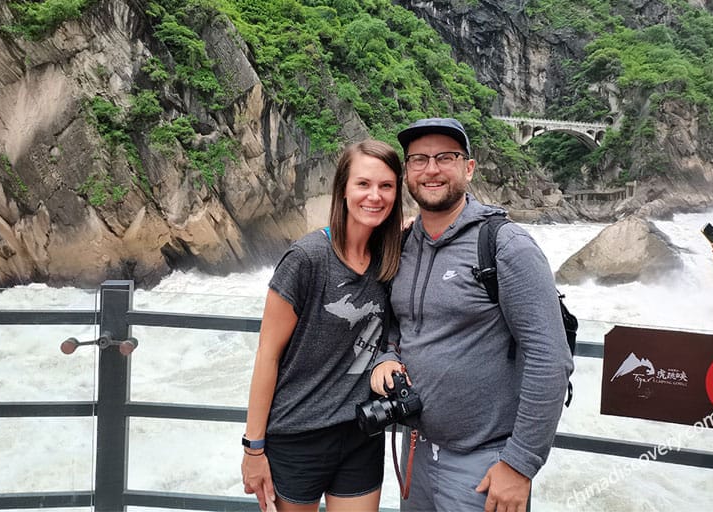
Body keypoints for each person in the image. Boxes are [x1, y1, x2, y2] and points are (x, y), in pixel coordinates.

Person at [371, 118, 574, 512]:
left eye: (445, 157)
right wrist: (387, 356)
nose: (431, 169)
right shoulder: (404, 245)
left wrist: (520, 464)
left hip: (483, 465)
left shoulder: (505, 246)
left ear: (468, 168)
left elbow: (550, 358)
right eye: (419, 160)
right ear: (407, 173)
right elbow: (398, 321)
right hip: (415, 454)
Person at [241, 139, 404, 512]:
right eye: (363, 184)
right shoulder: (306, 259)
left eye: (386, 186)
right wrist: (253, 448)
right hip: (298, 435)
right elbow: (267, 355)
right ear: (343, 189)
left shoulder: (390, 258)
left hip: (362, 431)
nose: (374, 196)